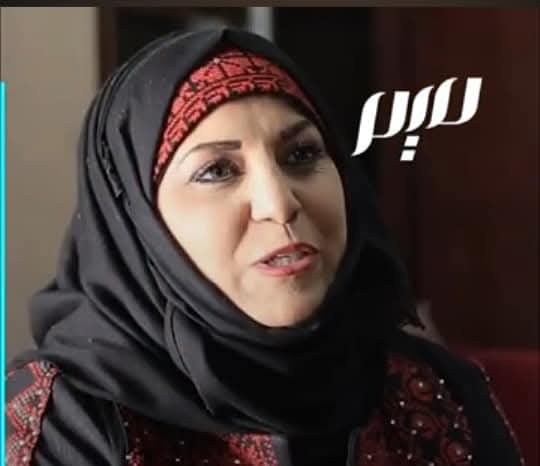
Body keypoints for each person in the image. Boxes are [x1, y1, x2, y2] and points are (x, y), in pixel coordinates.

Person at [6, 27, 524, 466]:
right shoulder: (65, 424)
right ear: (140, 222)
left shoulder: (441, 395)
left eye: (301, 154)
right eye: (217, 170)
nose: (279, 203)